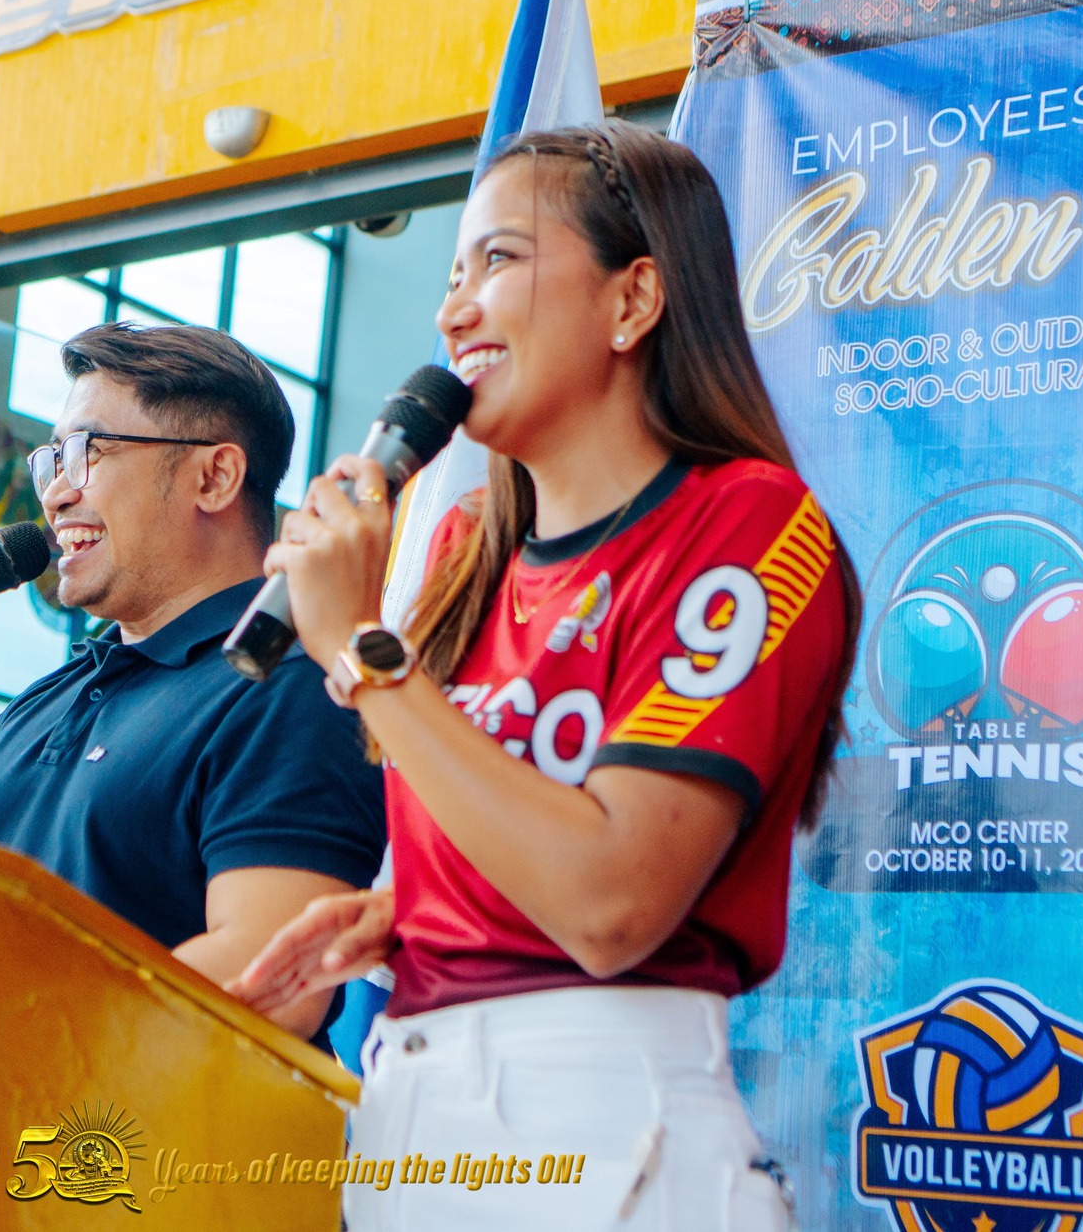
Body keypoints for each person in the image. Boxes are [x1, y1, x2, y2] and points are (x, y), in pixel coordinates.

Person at [226, 122, 860, 1231]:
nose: (453, 312)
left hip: (608, 1125)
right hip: (409, 1115)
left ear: (633, 298)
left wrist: (365, 653)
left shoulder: (750, 523)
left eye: (499, 259)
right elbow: (522, 824)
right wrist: (415, 913)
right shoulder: (464, 553)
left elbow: (611, 903)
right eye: (451, 275)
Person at [0, 321, 385, 1040]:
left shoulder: (290, 686)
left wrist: (2, 1029)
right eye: (52, 460)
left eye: (87, 452)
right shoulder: (47, 700)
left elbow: (269, 980)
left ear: (214, 477)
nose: (57, 493)